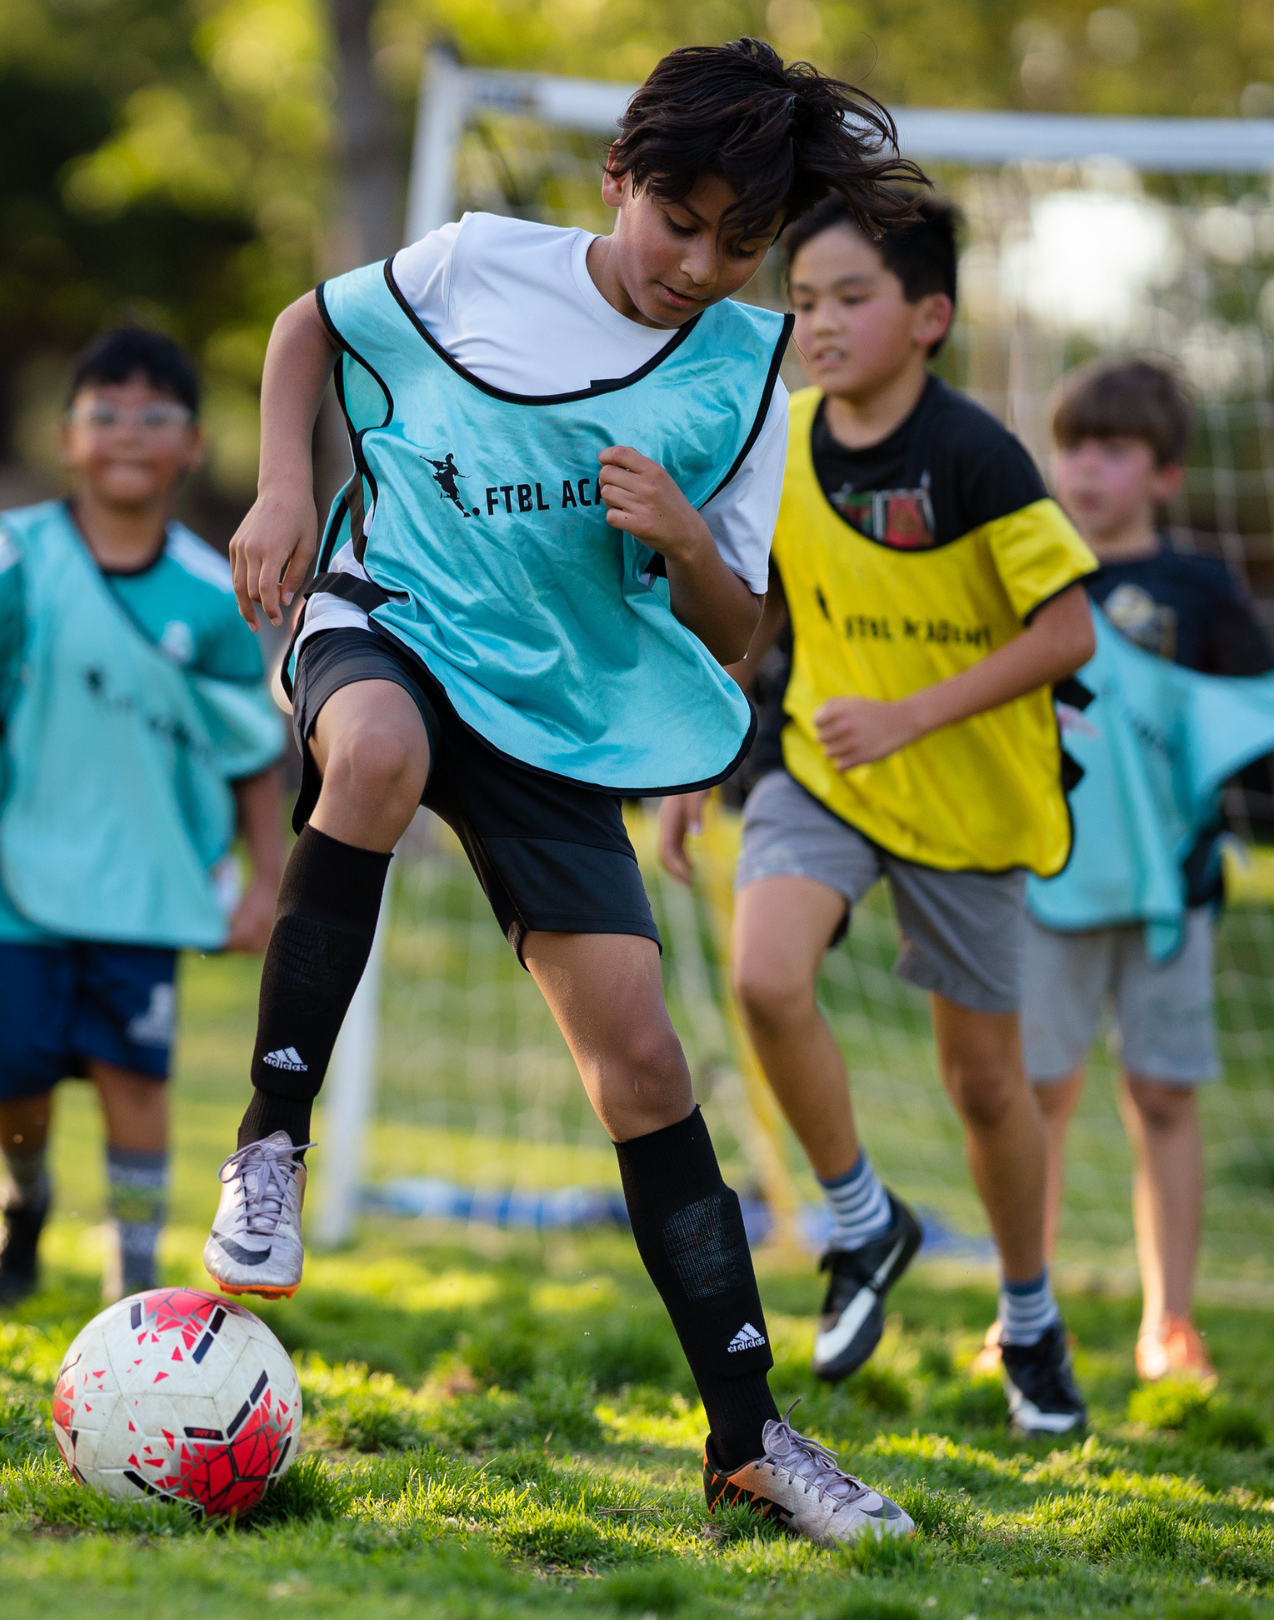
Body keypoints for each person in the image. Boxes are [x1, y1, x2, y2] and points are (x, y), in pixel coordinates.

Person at [207, 40, 926, 1548]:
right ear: (618, 177)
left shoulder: (745, 384)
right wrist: (283, 484)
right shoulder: (477, 263)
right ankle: (271, 1142)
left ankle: (748, 1440)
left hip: (559, 713)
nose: (699, 265)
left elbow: (744, 638)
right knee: (381, 759)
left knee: (647, 1070)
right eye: (681, 219)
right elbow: (307, 326)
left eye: (744, 244)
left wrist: (679, 542)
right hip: (388, 614)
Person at [662, 196, 1100, 1436]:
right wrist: (699, 771)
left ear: (929, 318)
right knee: (765, 977)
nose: (820, 322)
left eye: (851, 297)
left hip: (969, 801)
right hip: (826, 775)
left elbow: (1068, 632)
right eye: (803, 300)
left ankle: (1027, 1319)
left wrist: (911, 715)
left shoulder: (977, 457)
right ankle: (863, 1224)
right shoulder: (784, 444)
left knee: (984, 1085)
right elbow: (759, 630)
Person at [0, 328, 286, 1307]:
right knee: (15, 1080)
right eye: (105, 414)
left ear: (195, 445)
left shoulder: (212, 595)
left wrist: (266, 879)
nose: (129, 433)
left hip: (146, 876)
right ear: (65, 438)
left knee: (134, 1075)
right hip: (7, 868)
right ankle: (25, 1194)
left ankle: (134, 1282)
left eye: (155, 415)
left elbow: (251, 749)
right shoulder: (10, 559)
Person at [995, 358, 1274, 1387]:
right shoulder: (1025, 571)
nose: (1086, 467)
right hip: (1044, 889)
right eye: (1073, 446)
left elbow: (1248, 723)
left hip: (1174, 898)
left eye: (1113, 450)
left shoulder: (1200, 590)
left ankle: (1172, 1323)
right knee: (1037, 1094)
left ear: (1163, 474)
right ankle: (1022, 1313)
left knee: (1162, 1095)